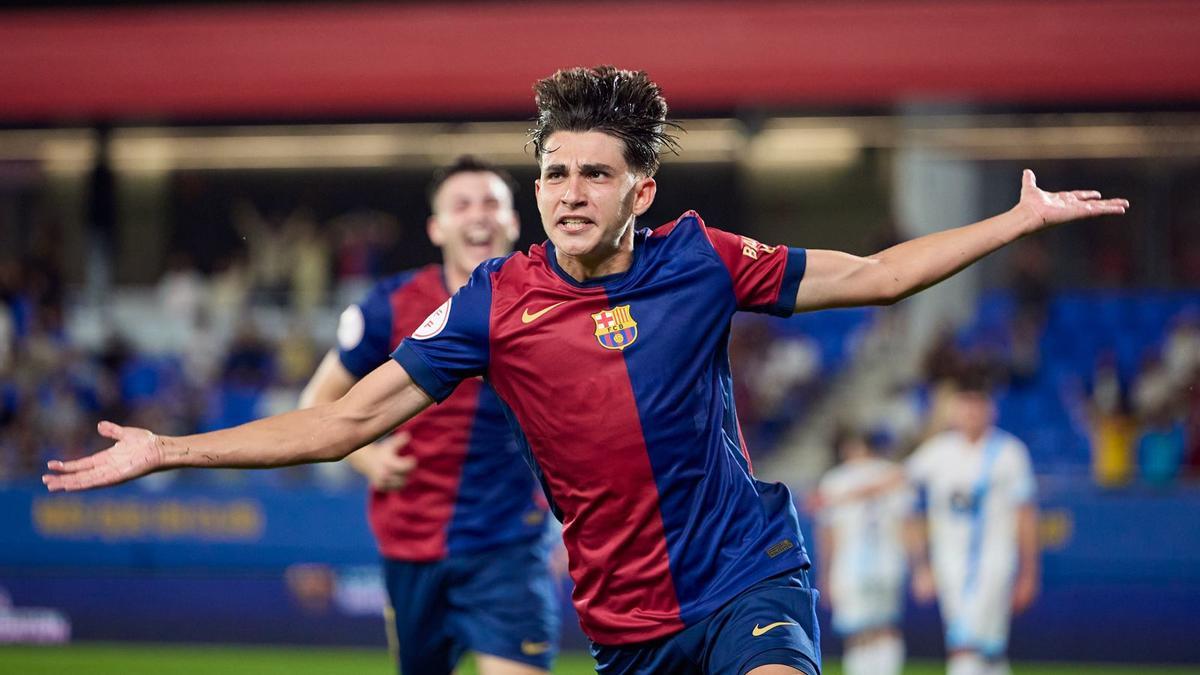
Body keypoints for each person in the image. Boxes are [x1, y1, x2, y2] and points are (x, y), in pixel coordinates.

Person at [44, 66, 1127, 675]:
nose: (566, 191)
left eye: (592, 174)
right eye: (553, 171)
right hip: (625, 626)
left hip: (747, 576)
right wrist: (167, 448)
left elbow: (882, 275)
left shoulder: (702, 260)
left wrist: (1016, 219)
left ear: (640, 188)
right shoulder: (495, 304)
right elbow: (341, 423)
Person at [298, 156, 559, 674]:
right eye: (462, 205)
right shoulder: (389, 306)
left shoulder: (554, 303)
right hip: (411, 545)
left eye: (491, 204)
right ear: (437, 228)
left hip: (509, 545)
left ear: (512, 221)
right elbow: (315, 404)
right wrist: (368, 460)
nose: (478, 216)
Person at [905, 380, 1040, 675]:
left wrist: (1029, 573)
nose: (971, 415)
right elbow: (901, 484)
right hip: (951, 565)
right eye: (965, 407)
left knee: (968, 646)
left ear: (991, 410)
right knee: (985, 650)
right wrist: (921, 565)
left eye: (978, 407)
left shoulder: (1009, 453)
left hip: (993, 563)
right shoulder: (938, 452)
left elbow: (1026, 514)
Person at [815, 430, 910, 675]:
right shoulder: (890, 473)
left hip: (851, 564)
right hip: (887, 561)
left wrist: (824, 574)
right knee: (884, 627)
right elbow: (907, 523)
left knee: (858, 631)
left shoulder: (836, 480)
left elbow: (827, 533)